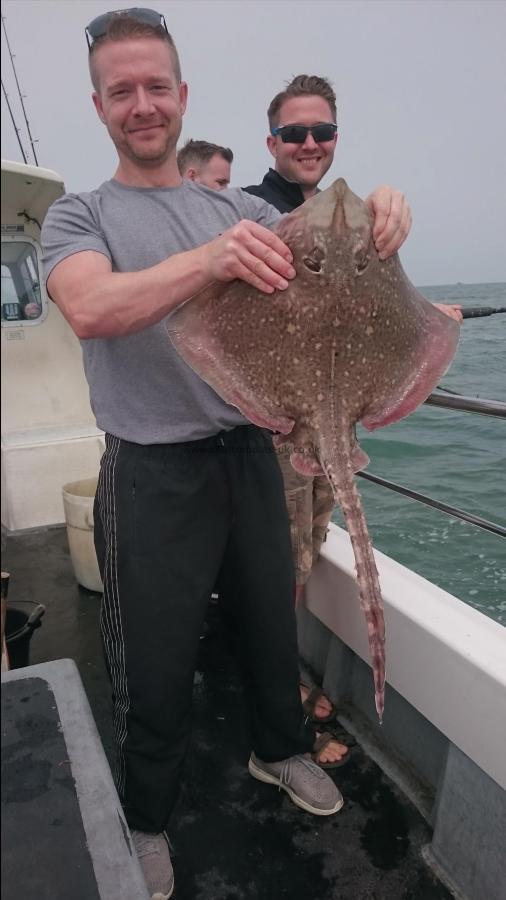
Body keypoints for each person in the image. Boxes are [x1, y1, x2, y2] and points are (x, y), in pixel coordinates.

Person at [42, 12, 346, 900]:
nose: (143, 105)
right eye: (122, 90)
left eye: (157, 86)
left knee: (267, 621)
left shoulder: (244, 208)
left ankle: (279, 751)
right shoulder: (80, 213)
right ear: (99, 105)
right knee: (157, 658)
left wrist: (390, 215)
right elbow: (92, 308)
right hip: (152, 470)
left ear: (182, 94)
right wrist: (209, 260)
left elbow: (326, 251)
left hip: (250, 452)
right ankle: (144, 816)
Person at [244, 75, 463, 766]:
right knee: (277, 567)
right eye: (295, 133)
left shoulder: (343, 214)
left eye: (323, 132)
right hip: (276, 428)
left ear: (336, 139)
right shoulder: (247, 210)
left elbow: (381, 310)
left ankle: (289, 682)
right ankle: (275, 708)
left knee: (306, 554)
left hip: (327, 421)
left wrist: (432, 320)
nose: (310, 144)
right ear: (272, 140)